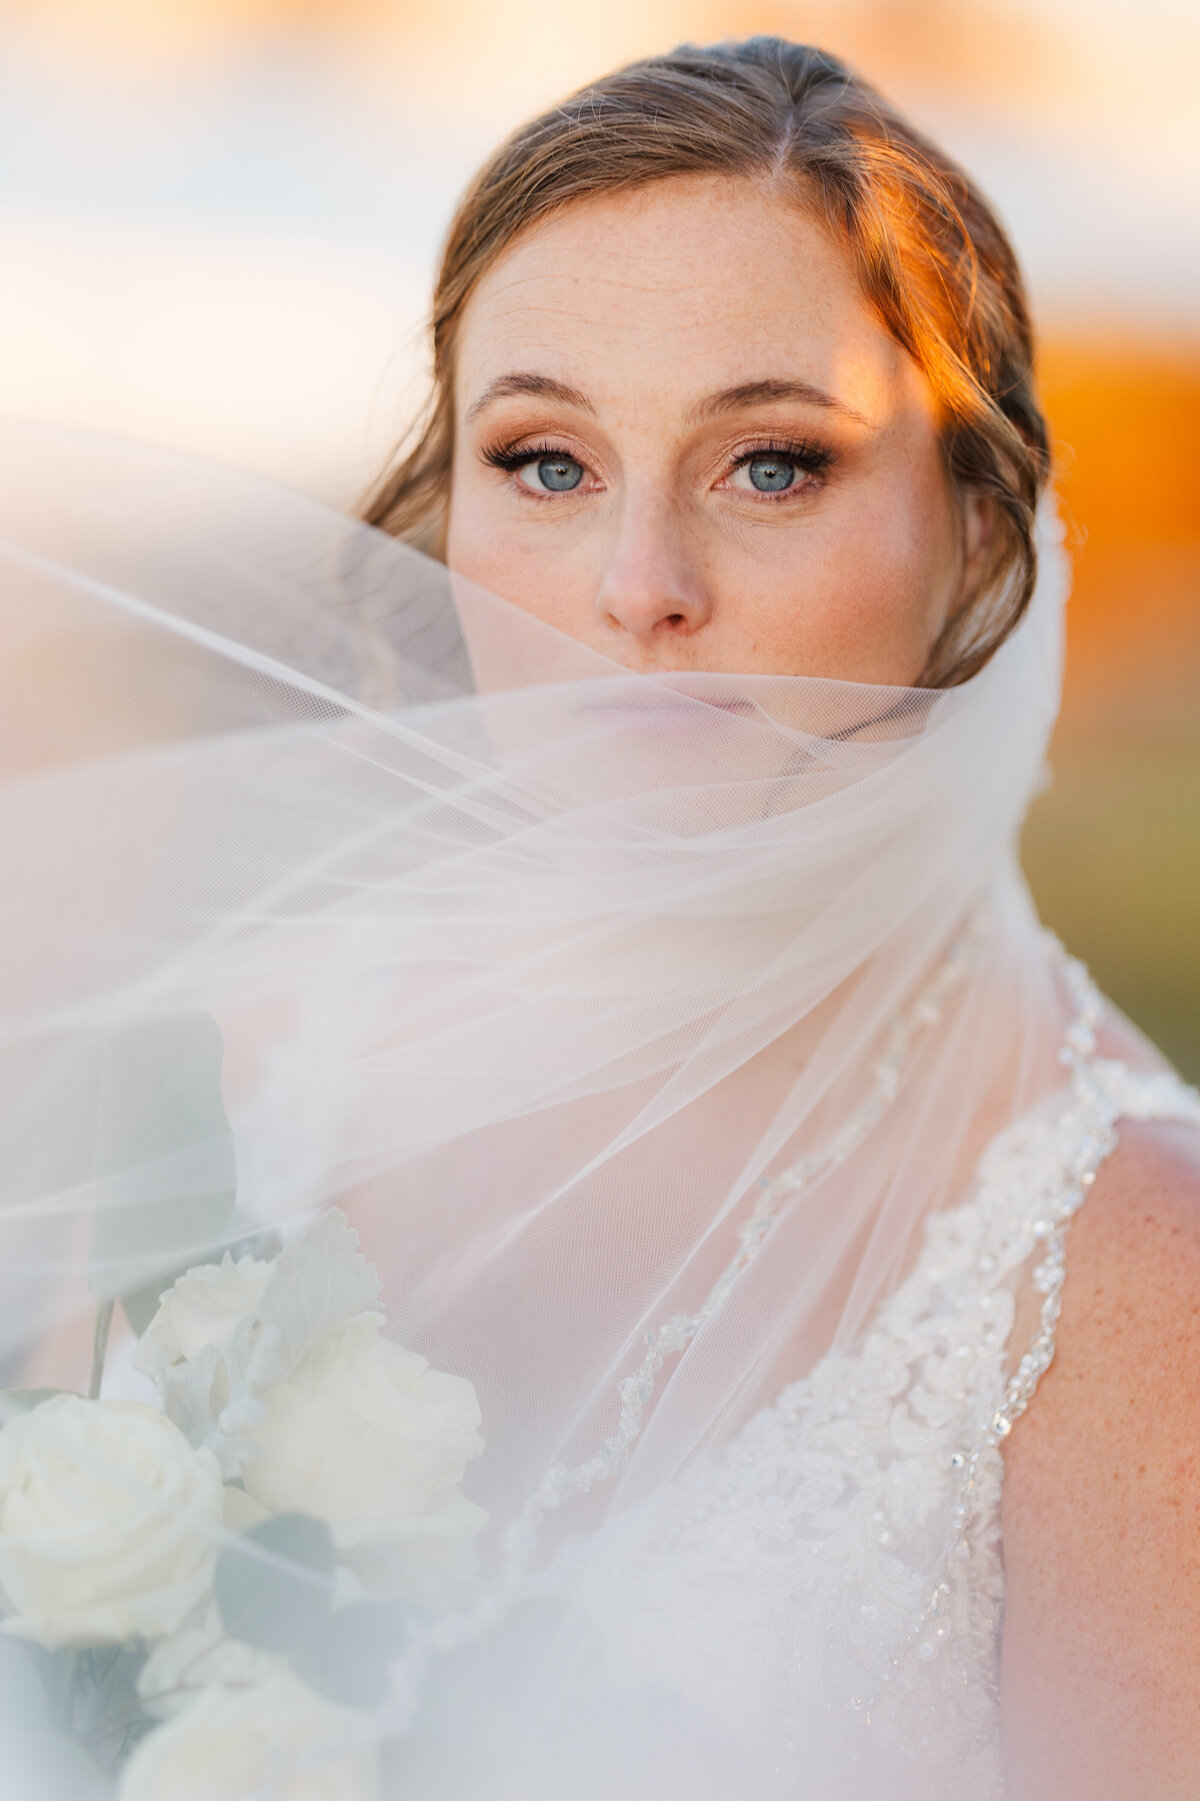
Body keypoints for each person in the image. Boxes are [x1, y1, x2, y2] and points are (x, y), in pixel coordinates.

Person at [0, 36, 1196, 1801]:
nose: (640, 589)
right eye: (548, 462)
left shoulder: (1129, 1275)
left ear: (976, 534)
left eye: (771, 462)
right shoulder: (236, 1064)